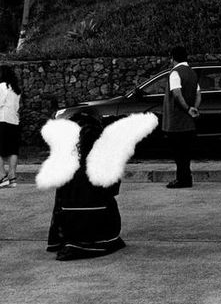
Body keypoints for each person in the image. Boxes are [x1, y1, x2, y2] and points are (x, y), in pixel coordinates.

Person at [37, 110, 158, 261]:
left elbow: (60, 201)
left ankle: (73, 240)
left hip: (71, 228)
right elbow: (113, 190)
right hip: (100, 227)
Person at [163, 45, 200, 189]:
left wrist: (187, 108)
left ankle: (181, 179)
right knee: (186, 152)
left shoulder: (175, 73)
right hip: (189, 121)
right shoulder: (192, 73)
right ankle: (186, 178)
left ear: (173, 58)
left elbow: (177, 94)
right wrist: (194, 108)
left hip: (176, 120)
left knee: (178, 152)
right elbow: (198, 94)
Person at [0, 65, 21, 189]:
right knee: (13, 150)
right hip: (14, 121)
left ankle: (2, 176)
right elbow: (17, 107)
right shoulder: (16, 89)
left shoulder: (2, 86)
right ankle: (12, 177)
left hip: (2, 119)